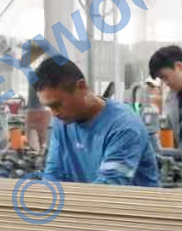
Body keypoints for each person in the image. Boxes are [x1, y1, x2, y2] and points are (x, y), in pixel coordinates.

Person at [34, 56, 159, 187]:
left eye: (57, 104)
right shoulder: (62, 122)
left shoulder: (124, 126)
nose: (54, 113)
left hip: (125, 200)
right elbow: (54, 173)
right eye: (49, 107)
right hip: (90, 198)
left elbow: (110, 187)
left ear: (81, 87)